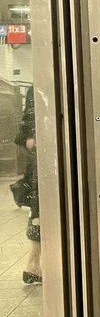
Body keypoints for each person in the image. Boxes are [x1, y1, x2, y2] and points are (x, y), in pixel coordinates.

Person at [13, 84, 40, 284]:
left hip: (44, 164)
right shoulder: (37, 88)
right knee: (39, 214)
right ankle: (33, 266)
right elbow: (24, 135)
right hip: (45, 165)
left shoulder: (35, 88)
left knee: (39, 214)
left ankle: (34, 266)